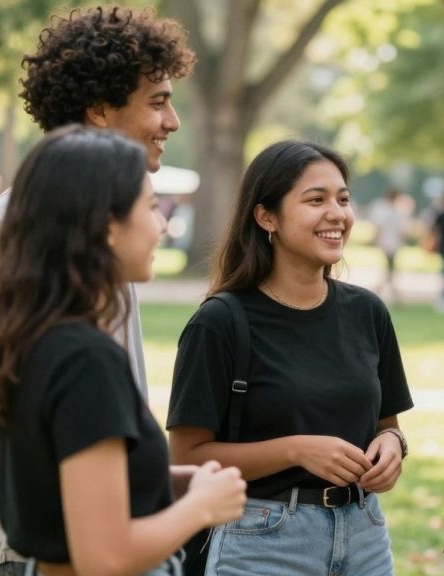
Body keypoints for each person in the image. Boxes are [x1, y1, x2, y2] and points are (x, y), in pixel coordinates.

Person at [0, 6, 194, 574]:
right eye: (157, 101)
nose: (173, 121)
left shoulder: (103, 231)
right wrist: (48, 534)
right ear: (98, 110)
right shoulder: (11, 229)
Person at [0, 126, 245, 576]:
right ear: (107, 228)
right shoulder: (86, 360)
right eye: (152, 208)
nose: (162, 226)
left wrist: (175, 482)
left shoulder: (30, 339)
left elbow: (63, 490)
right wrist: (201, 506)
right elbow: (104, 558)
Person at [166, 140, 414, 575]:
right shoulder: (220, 322)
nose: (337, 213)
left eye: (343, 198)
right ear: (267, 217)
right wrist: (296, 451)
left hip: (365, 534)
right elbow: (186, 457)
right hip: (262, 541)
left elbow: (387, 426)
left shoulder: (367, 311)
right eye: (315, 200)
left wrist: (393, 447)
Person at [368, 186, 411, 302]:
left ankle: (385, 292)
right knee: (390, 269)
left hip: (391, 243)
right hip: (388, 243)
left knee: (390, 269)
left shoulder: (393, 210)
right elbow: (380, 227)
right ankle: (391, 294)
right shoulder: (387, 210)